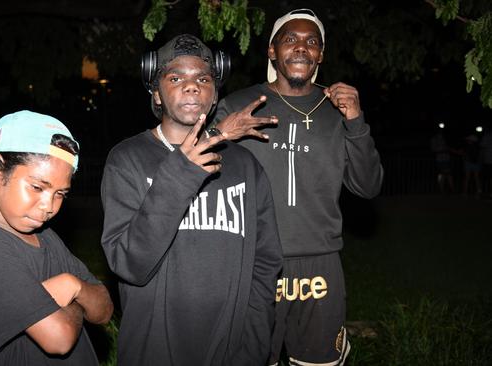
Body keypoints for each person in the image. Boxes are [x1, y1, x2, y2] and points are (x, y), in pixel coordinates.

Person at [211, 9, 384, 366]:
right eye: (290, 39)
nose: (301, 48)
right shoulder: (240, 105)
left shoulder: (338, 110)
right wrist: (219, 134)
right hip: (256, 261)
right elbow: (201, 176)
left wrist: (356, 121)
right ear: (272, 51)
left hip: (321, 266)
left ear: (321, 55)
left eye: (312, 42)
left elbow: (367, 187)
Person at [100, 34, 282, 365]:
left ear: (214, 96)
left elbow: (266, 261)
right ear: (156, 93)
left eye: (202, 78)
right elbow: (130, 264)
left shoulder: (245, 166)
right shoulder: (126, 160)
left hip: (233, 352)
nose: (192, 86)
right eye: (175, 77)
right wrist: (181, 172)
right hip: (153, 352)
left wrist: (254, 342)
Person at [0, 110, 113, 365]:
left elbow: (104, 309)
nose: (49, 206)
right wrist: (75, 294)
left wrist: (71, 285)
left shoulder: (44, 235)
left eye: (60, 193)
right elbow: (59, 339)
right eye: (37, 187)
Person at [430, 128, 455, 194]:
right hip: (441, 159)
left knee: (447, 174)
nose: (441, 132)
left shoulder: (445, 138)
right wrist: (443, 150)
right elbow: (434, 150)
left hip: (446, 159)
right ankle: (443, 190)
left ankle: (449, 190)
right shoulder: (434, 139)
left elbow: (448, 147)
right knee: (444, 174)